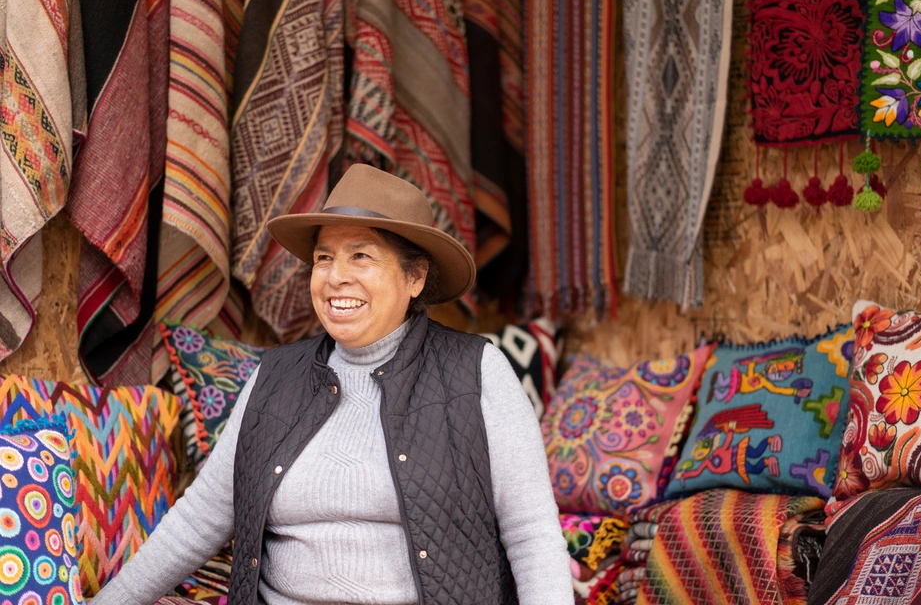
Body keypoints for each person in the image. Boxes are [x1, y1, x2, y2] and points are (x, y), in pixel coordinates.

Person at [91, 164, 574, 605]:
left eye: (361, 256)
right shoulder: (275, 378)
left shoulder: (476, 373)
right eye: (324, 258)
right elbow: (199, 520)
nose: (335, 278)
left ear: (416, 277)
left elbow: (531, 535)